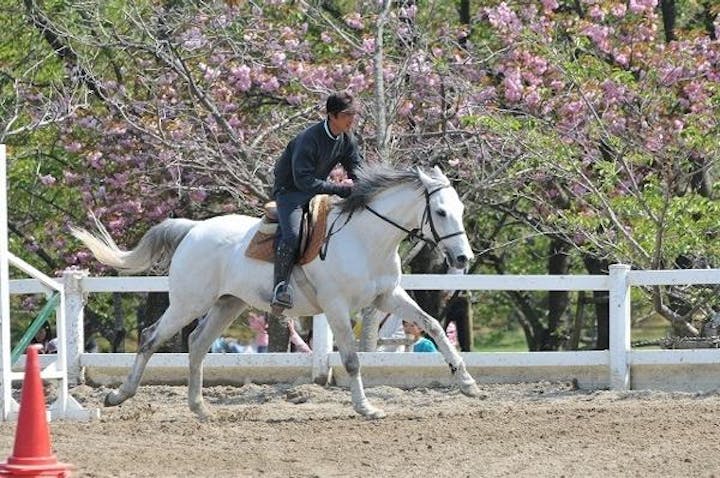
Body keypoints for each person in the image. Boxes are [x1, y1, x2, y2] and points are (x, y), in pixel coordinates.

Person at [271, 91, 363, 310]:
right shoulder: (308, 139)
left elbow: (357, 169)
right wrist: (340, 189)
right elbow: (302, 181)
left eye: (354, 114)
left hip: (315, 192)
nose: (352, 119)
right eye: (347, 114)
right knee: (293, 236)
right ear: (332, 115)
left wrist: (365, 188)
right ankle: (280, 287)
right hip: (290, 192)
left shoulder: (346, 139)